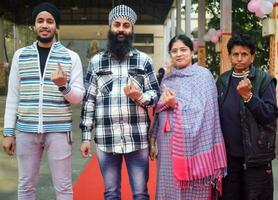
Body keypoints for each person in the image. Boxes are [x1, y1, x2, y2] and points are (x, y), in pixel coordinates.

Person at [2, 2, 85, 200]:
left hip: (58, 131)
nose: (45, 25)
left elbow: (78, 97)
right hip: (25, 131)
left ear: (56, 26)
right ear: (34, 25)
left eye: (50, 21)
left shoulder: (70, 57)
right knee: (26, 185)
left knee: (63, 187)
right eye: (40, 21)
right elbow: (13, 96)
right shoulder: (20, 56)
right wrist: (8, 132)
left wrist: (63, 85)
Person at [79, 4, 160, 200]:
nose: (121, 29)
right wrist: (85, 137)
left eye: (126, 25)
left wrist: (140, 97)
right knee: (111, 193)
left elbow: (155, 95)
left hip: (137, 138)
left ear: (132, 29)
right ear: (110, 28)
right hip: (106, 139)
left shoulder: (144, 60)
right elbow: (89, 100)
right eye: (117, 24)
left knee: (141, 193)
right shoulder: (96, 62)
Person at [149, 34, 227, 200]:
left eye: (183, 49)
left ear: (192, 52)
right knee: (169, 185)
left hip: (196, 144)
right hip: (168, 144)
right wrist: (153, 139)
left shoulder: (203, 76)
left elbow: (206, 112)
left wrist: (175, 104)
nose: (179, 54)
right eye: (174, 51)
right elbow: (158, 110)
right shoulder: (168, 79)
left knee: (194, 190)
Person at [216, 33, 277, 200]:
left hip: (256, 158)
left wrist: (249, 97)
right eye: (235, 54)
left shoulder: (264, 80)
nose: (239, 59)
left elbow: (270, 115)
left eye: (244, 54)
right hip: (228, 158)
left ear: (252, 57)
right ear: (229, 56)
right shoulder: (222, 81)